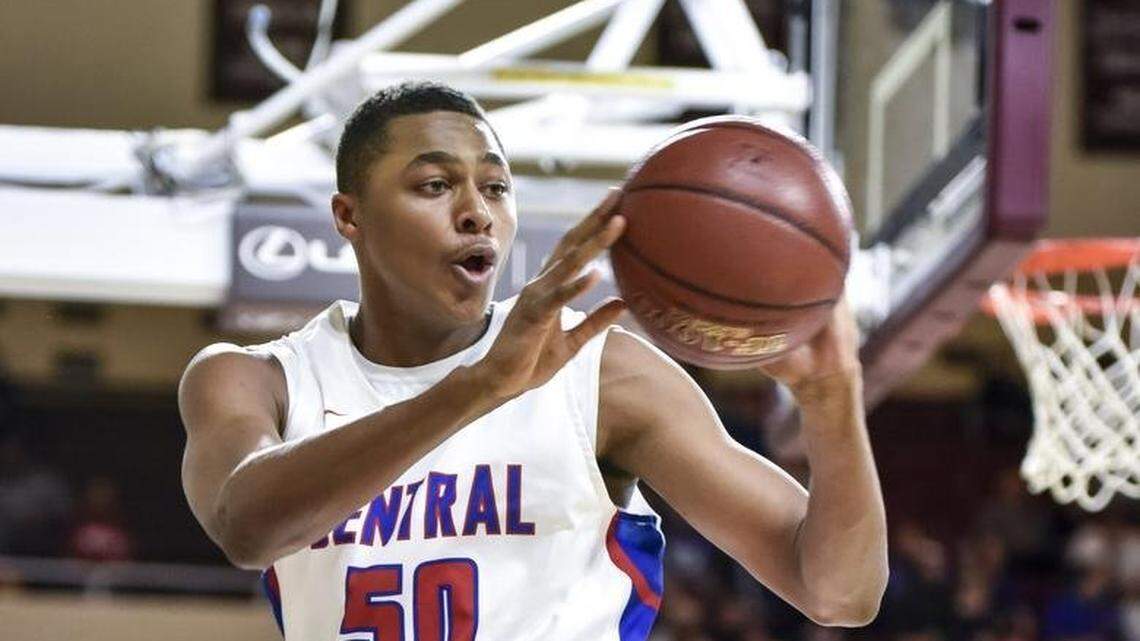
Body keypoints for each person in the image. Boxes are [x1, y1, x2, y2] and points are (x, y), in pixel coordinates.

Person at [178, 81, 888, 640]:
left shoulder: (605, 376)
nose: (477, 212)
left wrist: (832, 400)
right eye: (435, 185)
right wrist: (477, 388)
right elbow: (248, 526)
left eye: (494, 186)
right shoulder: (255, 378)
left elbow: (839, 593)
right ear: (349, 215)